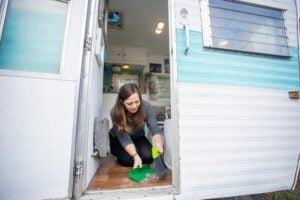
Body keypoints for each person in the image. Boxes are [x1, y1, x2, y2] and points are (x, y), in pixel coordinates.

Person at [109, 83, 163, 169]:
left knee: (148, 157)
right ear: (122, 102)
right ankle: (122, 155)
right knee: (129, 160)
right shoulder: (115, 112)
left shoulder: (147, 107)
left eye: (137, 102)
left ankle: (135, 151)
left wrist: (158, 143)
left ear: (140, 99)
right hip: (118, 139)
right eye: (129, 103)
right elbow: (124, 139)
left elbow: (155, 129)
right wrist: (135, 155)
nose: (134, 106)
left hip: (138, 136)